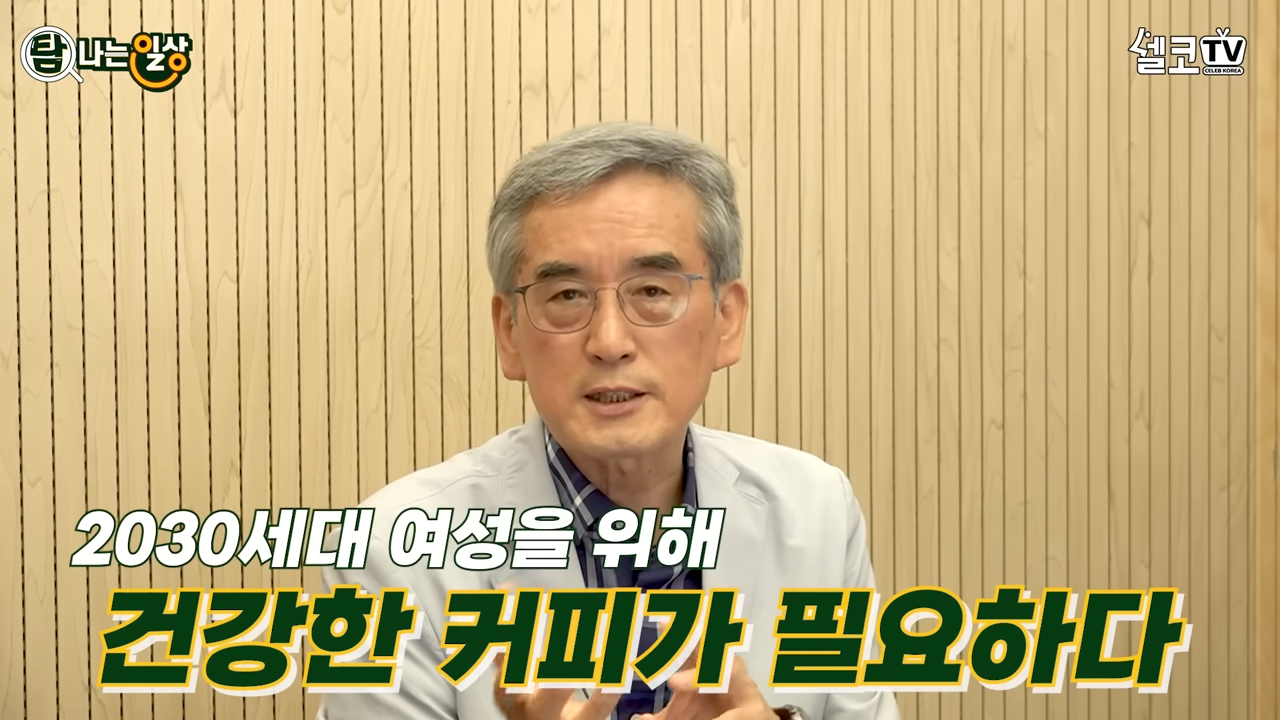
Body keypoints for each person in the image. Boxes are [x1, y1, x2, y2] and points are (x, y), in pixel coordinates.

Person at [316, 121, 899, 720]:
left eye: (652, 290)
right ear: (509, 333)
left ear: (727, 319)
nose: (610, 342)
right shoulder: (392, 550)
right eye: (567, 296)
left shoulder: (816, 510)